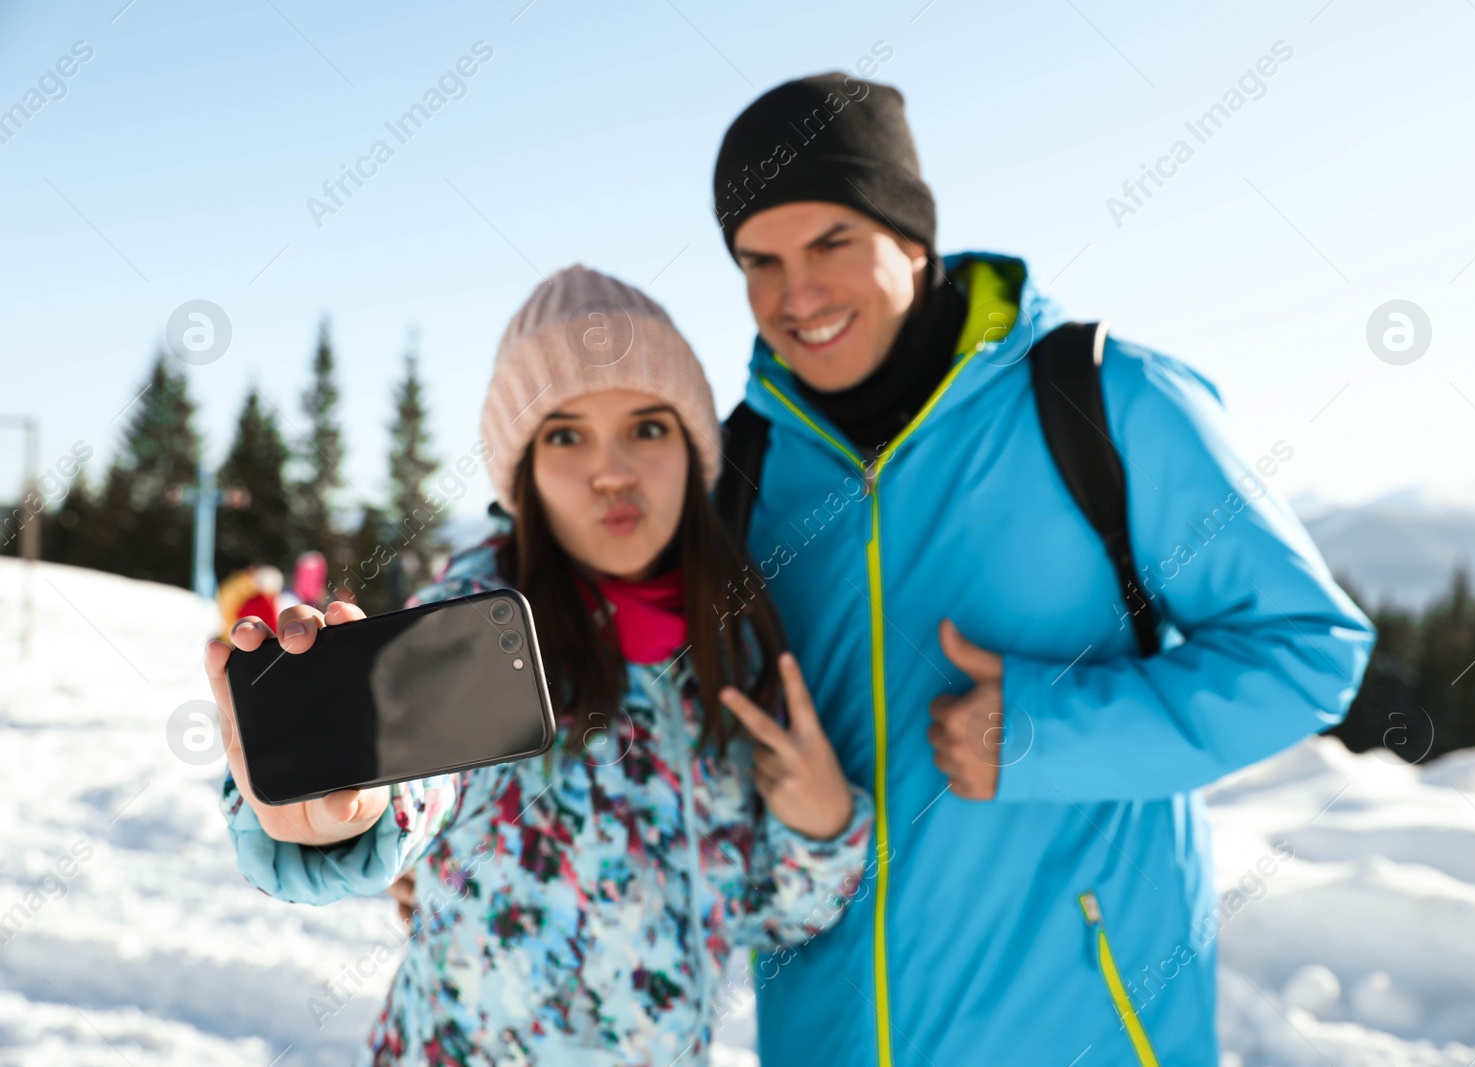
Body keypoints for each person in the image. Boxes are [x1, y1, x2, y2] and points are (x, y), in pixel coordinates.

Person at [708, 74, 1377, 1066]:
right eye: (758, 262)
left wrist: (1043, 731)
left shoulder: (1101, 401)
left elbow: (1308, 650)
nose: (792, 296)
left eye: (829, 244)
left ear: (910, 234)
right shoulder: (742, 468)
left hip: (1079, 1028)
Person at [205, 266, 874, 1065]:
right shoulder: (483, 623)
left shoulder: (735, 645)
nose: (612, 470)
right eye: (565, 434)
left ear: (694, 450)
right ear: (520, 470)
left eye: (648, 427)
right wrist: (342, 817)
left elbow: (772, 917)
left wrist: (824, 829)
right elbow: (418, 786)